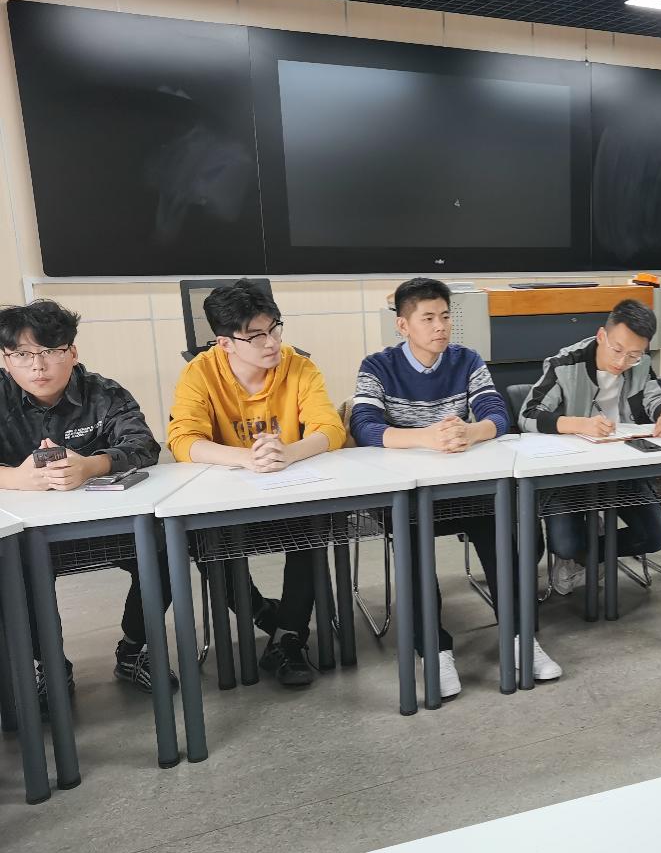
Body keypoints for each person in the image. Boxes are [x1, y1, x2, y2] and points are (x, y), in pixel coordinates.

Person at [351, 278, 558, 697]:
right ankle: (434, 650)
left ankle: (520, 637)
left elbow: (497, 414)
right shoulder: (377, 366)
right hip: (408, 495)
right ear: (403, 325)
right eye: (428, 318)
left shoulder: (466, 359)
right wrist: (427, 437)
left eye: (445, 316)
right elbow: (363, 426)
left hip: (463, 488)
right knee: (413, 547)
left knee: (501, 533)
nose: (440, 327)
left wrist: (470, 432)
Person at [0, 300, 177, 714]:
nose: (38, 365)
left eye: (51, 351)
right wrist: (13, 478)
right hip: (28, 533)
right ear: (6, 360)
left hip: (104, 525)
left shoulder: (102, 392)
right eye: (22, 354)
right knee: (15, 572)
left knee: (165, 548)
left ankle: (133, 650)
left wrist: (91, 465)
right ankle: (49, 665)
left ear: (72, 352)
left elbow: (144, 445)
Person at [168, 279, 346, 688]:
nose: (271, 343)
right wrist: (245, 457)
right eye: (256, 335)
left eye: (275, 328)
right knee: (206, 541)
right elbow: (183, 441)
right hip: (229, 501)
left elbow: (331, 428)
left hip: (289, 493)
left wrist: (289, 452)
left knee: (315, 527)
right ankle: (264, 615)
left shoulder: (298, 366)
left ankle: (288, 638)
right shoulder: (200, 373)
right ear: (225, 342)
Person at [519, 298, 661, 593]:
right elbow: (528, 415)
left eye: (633, 355)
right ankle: (579, 551)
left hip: (622, 473)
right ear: (601, 335)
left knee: (658, 535)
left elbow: (654, 398)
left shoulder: (641, 365)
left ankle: (589, 555)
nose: (622, 362)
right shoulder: (566, 364)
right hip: (568, 476)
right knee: (565, 545)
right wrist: (578, 424)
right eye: (617, 350)